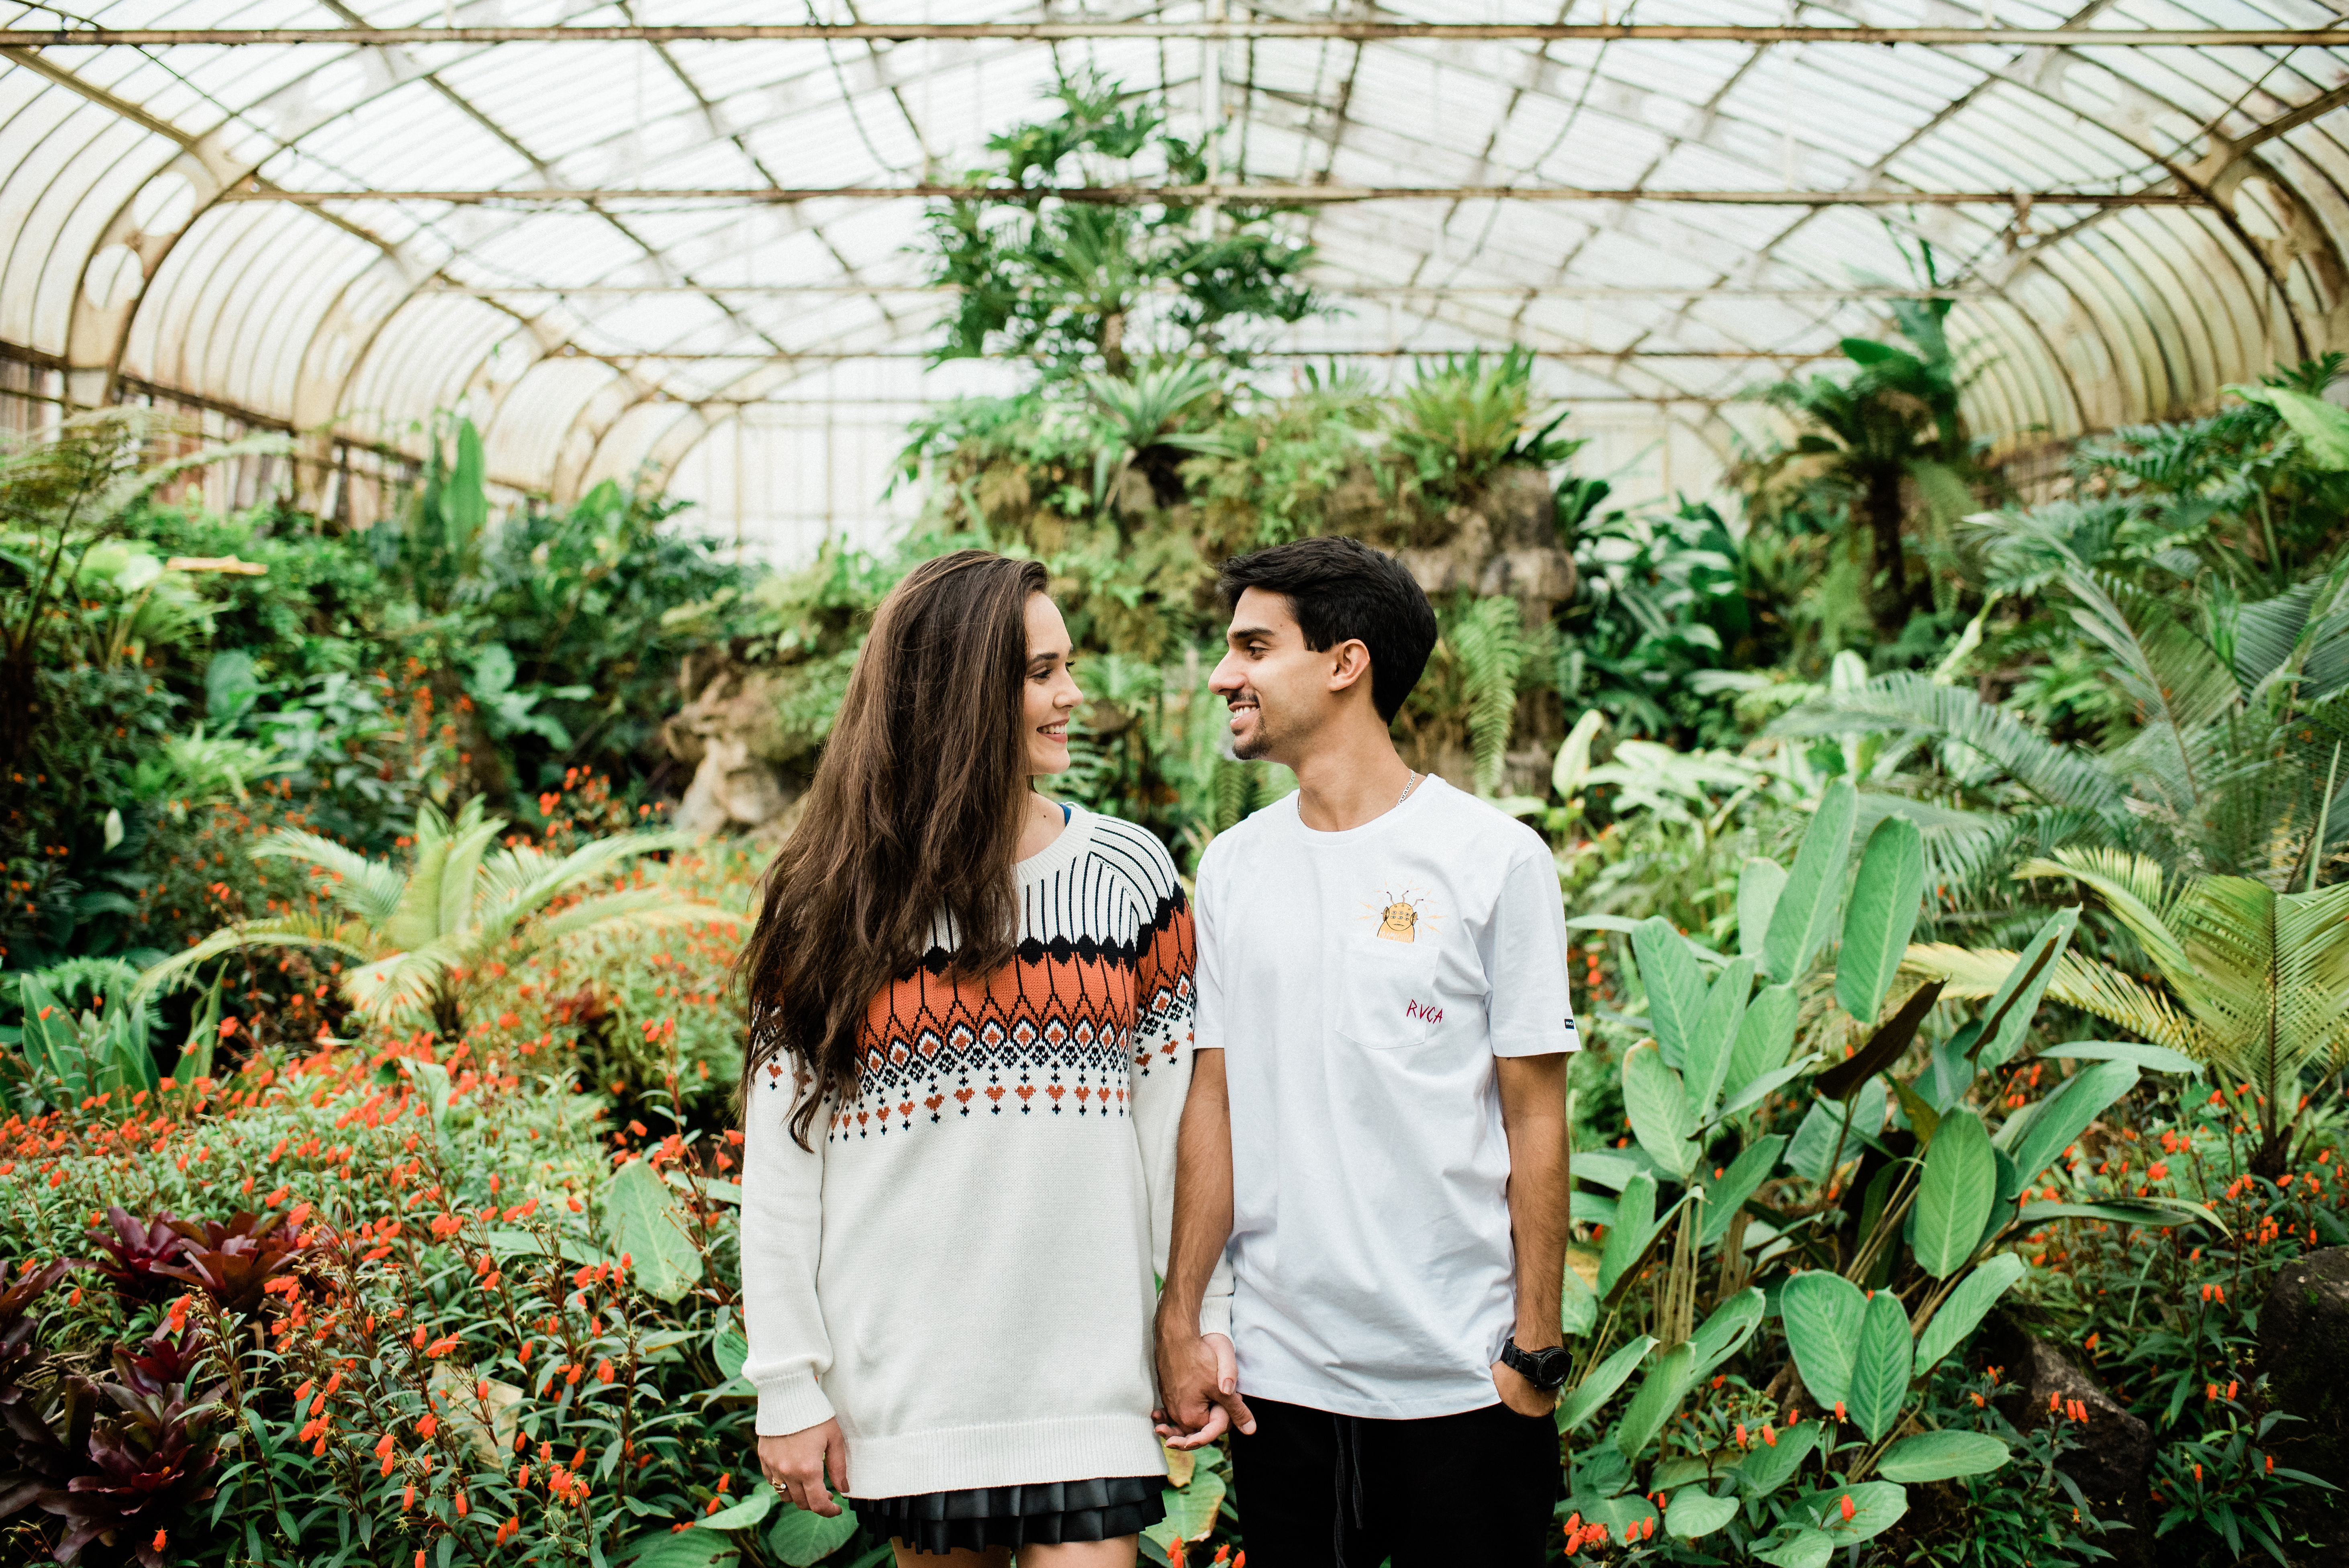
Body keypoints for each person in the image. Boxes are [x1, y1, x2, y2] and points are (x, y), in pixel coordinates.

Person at [738, 549, 1225, 1566]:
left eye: (1066, 665)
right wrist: (787, 1384)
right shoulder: (830, 899)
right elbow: (782, 1165)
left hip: (1088, 1384)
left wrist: (1198, 1319)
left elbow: (1178, 1134)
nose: (1071, 694)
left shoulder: (1130, 877)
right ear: (958, 693)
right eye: (1041, 672)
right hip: (914, 1393)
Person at [1152, 535, 1579, 1566]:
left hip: (1460, 1381)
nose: (1222, 675)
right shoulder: (1232, 869)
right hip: (1282, 1388)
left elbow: (1535, 1114)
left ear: (1346, 662)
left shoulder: (1493, 860)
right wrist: (1182, 1315)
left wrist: (1533, 1350)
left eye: (1254, 647)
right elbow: (1214, 1100)